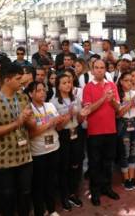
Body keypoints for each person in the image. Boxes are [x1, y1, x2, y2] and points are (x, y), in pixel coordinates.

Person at [0, 63, 36, 216]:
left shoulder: (23, 96)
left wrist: (28, 119)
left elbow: (32, 124)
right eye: (18, 79)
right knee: (7, 197)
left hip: (25, 157)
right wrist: (17, 123)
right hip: (3, 160)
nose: (22, 82)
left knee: (25, 194)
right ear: (7, 80)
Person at [82, 59, 120, 206]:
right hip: (95, 132)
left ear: (105, 70)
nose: (99, 70)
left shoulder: (112, 85)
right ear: (92, 70)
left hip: (111, 130)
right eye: (96, 68)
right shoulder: (88, 87)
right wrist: (104, 98)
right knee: (95, 163)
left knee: (108, 162)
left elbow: (118, 109)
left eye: (102, 67)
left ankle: (107, 188)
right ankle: (95, 191)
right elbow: (88, 109)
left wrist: (111, 101)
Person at [51, 74, 89, 211]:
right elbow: (57, 127)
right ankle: (64, 196)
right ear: (58, 85)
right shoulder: (54, 102)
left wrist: (82, 114)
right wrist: (69, 114)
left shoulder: (76, 98)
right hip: (63, 135)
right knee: (64, 166)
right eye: (64, 83)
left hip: (76, 132)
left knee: (76, 164)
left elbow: (78, 120)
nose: (68, 85)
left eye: (69, 82)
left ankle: (73, 193)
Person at [26, 81, 62, 216]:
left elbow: (58, 127)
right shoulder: (28, 110)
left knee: (51, 181)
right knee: (38, 184)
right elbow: (31, 133)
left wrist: (60, 121)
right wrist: (50, 123)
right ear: (30, 93)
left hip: (54, 148)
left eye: (44, 90)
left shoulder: (50, 105)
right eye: (38, 90)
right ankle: (39, 211)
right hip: (38, 152)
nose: (43, 93)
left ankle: (52, 209)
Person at [116, 72, 135, 190]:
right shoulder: (118, 95)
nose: (129, 82)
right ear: (121, 82)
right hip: (123, 124)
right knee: (125, 153)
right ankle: (125, 179)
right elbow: (119, 114)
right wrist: (129, 104)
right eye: (126, 80)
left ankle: (132, 178)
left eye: (131, 80)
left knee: (133, 152)